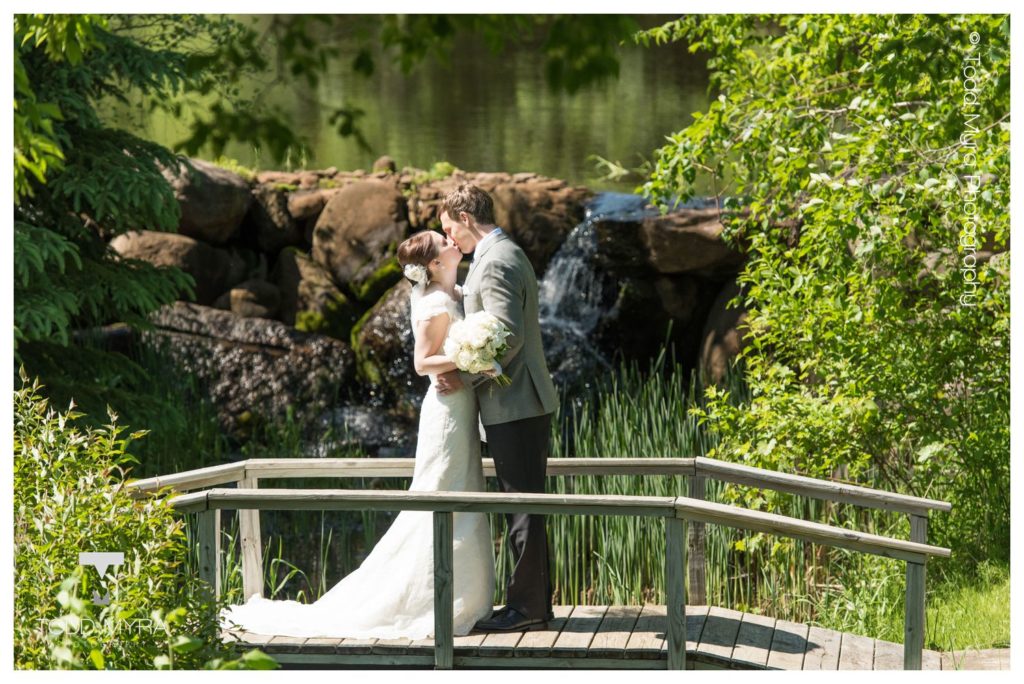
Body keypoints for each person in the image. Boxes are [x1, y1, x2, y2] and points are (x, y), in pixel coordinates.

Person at [219, 230, 495, 639]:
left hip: (460, 406)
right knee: (443, 492)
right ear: (434, 264)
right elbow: (422, 363)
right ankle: (434, 600)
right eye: (444, 241)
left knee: (464, 490)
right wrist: (469, 356)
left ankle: (464, 594)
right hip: (447, 414)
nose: (452, 241)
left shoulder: (454, 293)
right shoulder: (435, 302)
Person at [439, 183, 559, 632]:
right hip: (517, 400)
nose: (450, 241)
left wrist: (464, 376)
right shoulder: (501, 253)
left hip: (518, 400)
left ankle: (526, 610)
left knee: (522, 505)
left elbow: (507, 337)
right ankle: (535, 604)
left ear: (467, 219)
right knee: (524, 503)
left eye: (451, 230)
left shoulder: (498, 259)